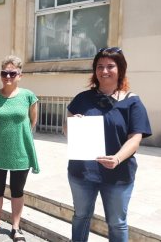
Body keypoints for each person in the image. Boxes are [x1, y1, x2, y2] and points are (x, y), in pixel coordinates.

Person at [65, 47, 152, 242]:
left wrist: (118, 158)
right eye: (100, 66)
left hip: (118, 174)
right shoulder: (83, 98)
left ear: (120, 69)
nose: (104, 71)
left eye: (110, 66)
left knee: (117, 223)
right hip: (83, 172)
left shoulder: (132, 102)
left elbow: (135, 138)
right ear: (95, 70)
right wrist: (73, 124)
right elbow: (67, 129)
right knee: (80, 216)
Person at [0, 55, 39, 242]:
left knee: (17, 191)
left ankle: (15, 227)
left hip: (21, 152)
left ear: (20, 75)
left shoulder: (29, 96)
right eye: (5, 73)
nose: (8, 76)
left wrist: (18, 137)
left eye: (13, 73)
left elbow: (32, 122)